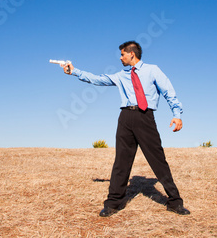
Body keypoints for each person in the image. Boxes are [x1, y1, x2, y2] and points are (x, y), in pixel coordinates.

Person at [61, 41, 190, 217]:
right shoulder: (121, 75)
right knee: (121, 162)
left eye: (122, 54)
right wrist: (74, 71)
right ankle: (113, 203)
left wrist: (177, 114)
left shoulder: (153, 70)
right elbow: (99, 79)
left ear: (132, 54)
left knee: (158, 160)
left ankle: (175, 202)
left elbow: (169, 92)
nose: (120, 58)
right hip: (125, 118)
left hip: (145, 117)